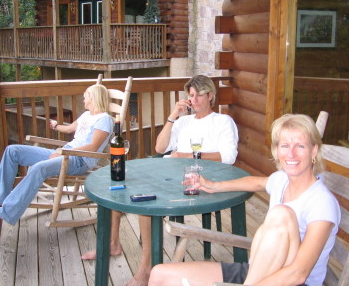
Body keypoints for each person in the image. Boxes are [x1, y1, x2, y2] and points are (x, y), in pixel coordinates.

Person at [81, 75, 239, 286]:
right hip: (169, 172)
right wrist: (172, 117)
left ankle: (145, 270)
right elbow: (160, 148)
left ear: (210, 96)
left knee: (145, 200)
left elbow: (228, 157)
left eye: (199, 95)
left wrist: (186, 156)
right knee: (119, 186)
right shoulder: (183, 122)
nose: (195, 100)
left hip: (199, 180)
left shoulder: (222, 121)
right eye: (191, 95)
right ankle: (112, 243)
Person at [148, 114, 341, 286]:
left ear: (314, 151)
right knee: (159, 275)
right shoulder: (281, 180)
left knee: (282, 214)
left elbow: (298, 274)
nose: (291, 154)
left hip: (289, 280)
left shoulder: (321, 203)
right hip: (258, 271)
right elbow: (256, 183)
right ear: (277, 151)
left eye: (300, 146)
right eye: (285, 146)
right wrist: (213, 186)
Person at [0, 84, 113, 225]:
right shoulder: (86, 115)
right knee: (12, 151)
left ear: (93, 97)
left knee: (39, 168)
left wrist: (64, 153)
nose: (83, 99)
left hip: (79, 160)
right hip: (65, 153)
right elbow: (69, 129)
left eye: (85, 96)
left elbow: (93, 147)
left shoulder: (104, 119)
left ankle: (6, 212)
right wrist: (56, 125)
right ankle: (0, 200)